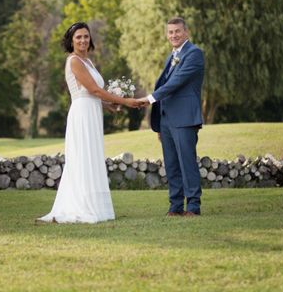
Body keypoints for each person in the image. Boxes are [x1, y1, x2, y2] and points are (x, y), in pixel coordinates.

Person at [38, 22, 142, 224]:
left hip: (92, 111)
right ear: (71, 41)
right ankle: (81, 207)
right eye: (78, 37)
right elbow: (92, 91)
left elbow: (92, 94)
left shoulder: (89, 62)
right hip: (82, 114)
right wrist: (125, 101)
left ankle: (96, 207)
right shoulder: (74, 61)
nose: (83, 40)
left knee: (92, 156)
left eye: (86, 36)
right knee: (82, 157)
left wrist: (107, 105)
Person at [137, 17, 205, 217]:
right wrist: (159, 123)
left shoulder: (194, 54)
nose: (173, 35)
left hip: (184, 118)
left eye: (177, 31)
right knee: (172, 164)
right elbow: (165, 84)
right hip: (166, 119)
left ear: (186, 32)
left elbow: (176, 82)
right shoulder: (171, 56)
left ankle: (193, 206)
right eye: (170, 32)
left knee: (187, 163)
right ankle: (175, 206)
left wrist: (148, 99)